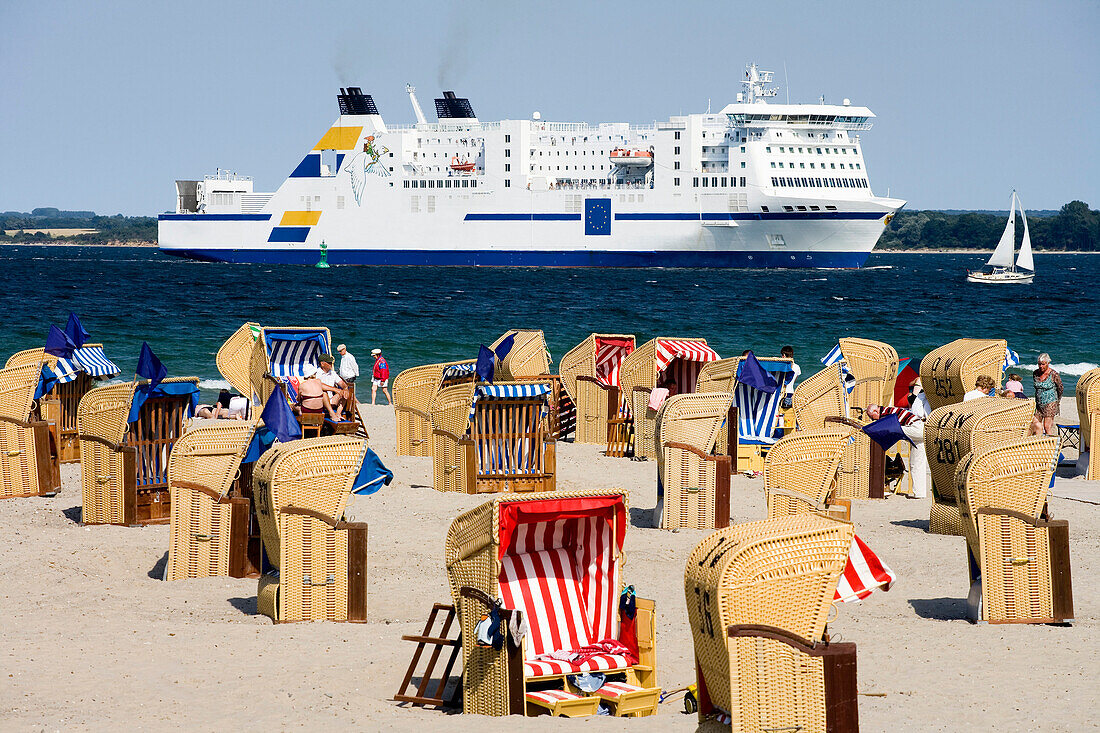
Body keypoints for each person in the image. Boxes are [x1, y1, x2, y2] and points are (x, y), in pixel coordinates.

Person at [866, 402, 928, 499]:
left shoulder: (886, 413)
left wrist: (868, 431)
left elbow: (886, 428)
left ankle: (919, 493)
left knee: (892, 430)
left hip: (916, 428)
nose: (873, 419)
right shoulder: (889, 410)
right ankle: (920, 493)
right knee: (916, 464)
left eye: (872, 417)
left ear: (875, 411)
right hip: (921, 429)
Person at [1029, 353, 1063, 436]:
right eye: (1039, 364)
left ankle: (1050, 444)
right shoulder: (1035, 373)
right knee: (1035, 423)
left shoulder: (1054, 374)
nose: (1041, 366)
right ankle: (1039, 441)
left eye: (1043, 364)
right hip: (1039, 403)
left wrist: (1057, 401)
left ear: (1048, 363)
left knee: (1047, 426)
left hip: (1050, 402)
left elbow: (1060, 388)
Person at [780, 345, 800, 409]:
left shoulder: (781, 366)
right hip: (791, 394)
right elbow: (793, 380)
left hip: (782, 394)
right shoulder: (797, 367)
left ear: (783, 355)